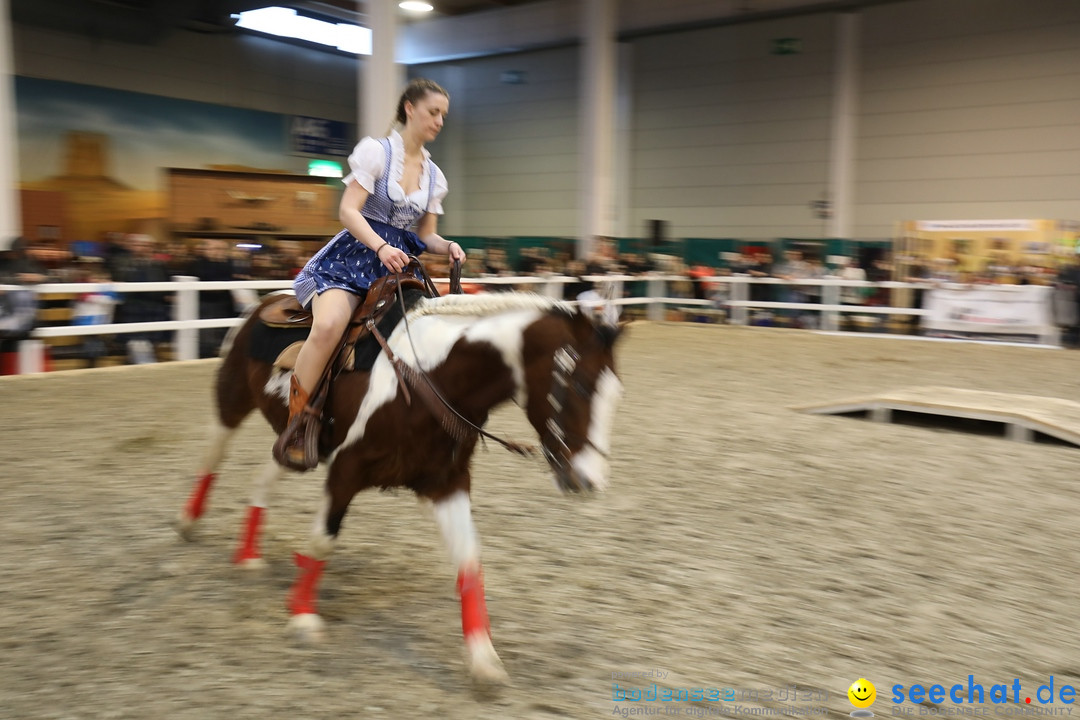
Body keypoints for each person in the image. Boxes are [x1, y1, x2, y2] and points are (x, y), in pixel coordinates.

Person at [275, 78, 466, 470]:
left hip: (397, 266)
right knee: (329, 326)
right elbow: (348, 211)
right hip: (353, 258)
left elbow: (424, 234)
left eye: (443, 115)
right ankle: (297, 421)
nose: (439, 121)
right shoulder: (376, 153)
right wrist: (379, 245)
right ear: (410, 109)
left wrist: (446, 246)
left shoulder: (435, 175)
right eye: (433, 112)